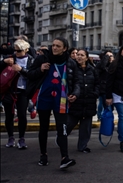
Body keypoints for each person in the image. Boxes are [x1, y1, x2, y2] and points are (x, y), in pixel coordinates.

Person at [26, 37, 80, 169]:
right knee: (43, 127)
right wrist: (40, 69)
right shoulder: (42, 59)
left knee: (62, 128)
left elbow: (77, 81)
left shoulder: (70, 62)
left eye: (58, 46)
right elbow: (30, 74)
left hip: (61, 99)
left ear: (64, 49)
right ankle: (43, 155)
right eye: (53, 45)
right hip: (44, 97)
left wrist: (75, 94)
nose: (54, 48)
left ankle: (64, 158)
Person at [0, 39, 34, 149]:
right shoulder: (10, 58)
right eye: (15, 50)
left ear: (26, 50)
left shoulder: (31, 60)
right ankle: (10, 138)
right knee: (9, 116)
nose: (17, 53)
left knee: (22, 116)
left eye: (19, 51)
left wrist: (21, 70)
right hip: (9, 91)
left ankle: (21, 138)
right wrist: (3, 62)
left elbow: (34, 75)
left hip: (23, 92)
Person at [66, 49, 100, 153]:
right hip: (75, 102)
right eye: (77, 55)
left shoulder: (92, 69)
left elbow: (98, 84)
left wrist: (95, 93)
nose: (79, 56)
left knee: (85, 128)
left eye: (82, 55)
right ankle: (60, 140)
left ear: (86, 57)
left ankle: (82, 146)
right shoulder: (72, 69)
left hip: (89, 102)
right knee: (68, 125)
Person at [95, 50, 114, 121]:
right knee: (105, 105)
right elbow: (102, 67)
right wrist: (106, 58)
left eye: (111, 56)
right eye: (107, 56)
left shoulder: (113, 65)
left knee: (110, 108)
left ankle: (106, 120)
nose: (110, 57)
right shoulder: (101, 65)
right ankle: (101, 117)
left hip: (113, 90)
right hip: (103, 89)